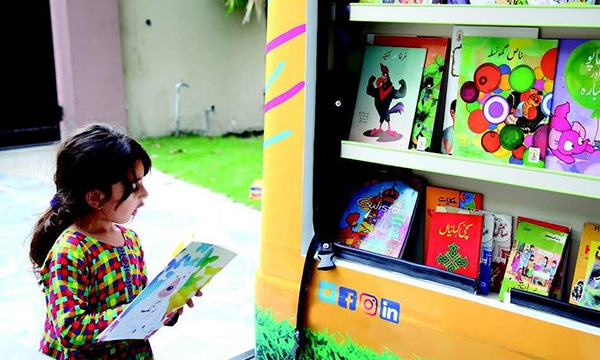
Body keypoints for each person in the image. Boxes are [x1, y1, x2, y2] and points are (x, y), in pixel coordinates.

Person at [28, 123, 201, 359]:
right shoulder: (70, 251)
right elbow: (69, 330)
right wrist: (133, 312)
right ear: (95, 197)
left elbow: (140, 309)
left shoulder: (130, 240)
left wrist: (168, 302)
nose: (144, 194)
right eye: (133, 186)